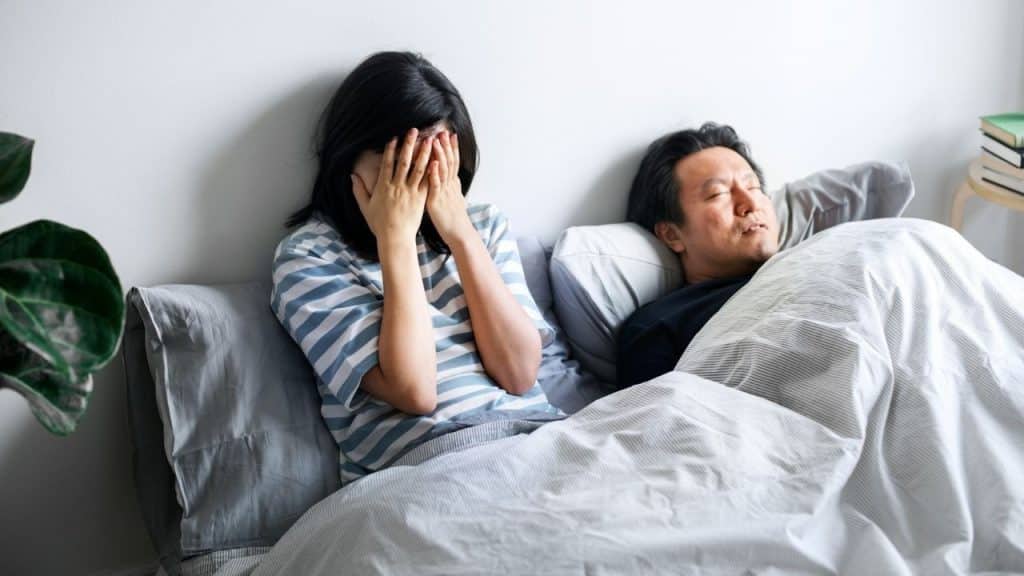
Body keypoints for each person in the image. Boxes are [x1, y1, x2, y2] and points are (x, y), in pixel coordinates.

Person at [272, 52, 562, 484]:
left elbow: (520, 374)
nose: (422, 180)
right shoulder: (308, 257)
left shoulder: (483, 226)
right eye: (403, 164)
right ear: (352, 158)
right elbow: (415, 391)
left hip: (534, 437)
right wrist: (396, 238)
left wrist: (461, 233)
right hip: (424, 465)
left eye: (436, 159)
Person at [617, 123, 780, 388]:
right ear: (672, 235)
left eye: (753, 187)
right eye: (719, 194)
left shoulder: (815, 261)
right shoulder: (659, 326)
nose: (749, 205)